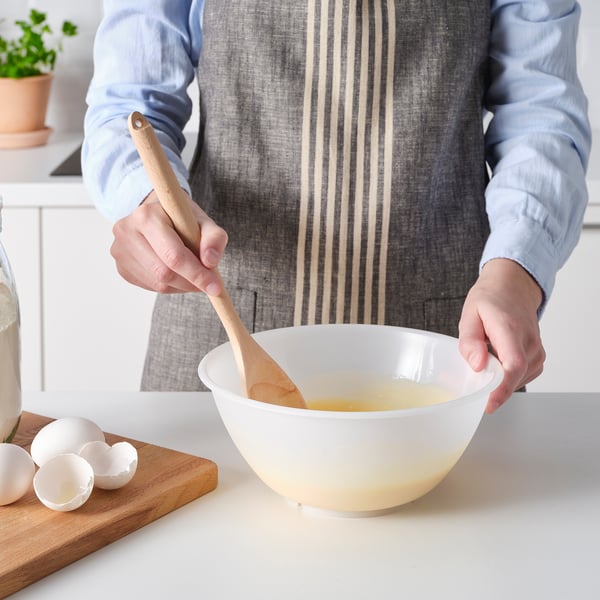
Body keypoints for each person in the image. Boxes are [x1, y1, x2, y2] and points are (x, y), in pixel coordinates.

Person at [82, 0, 591, 413]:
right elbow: (131, 101)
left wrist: (516, 272)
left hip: (448, 345)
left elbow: (539, 113)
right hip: (222, 329)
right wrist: (144, 199)